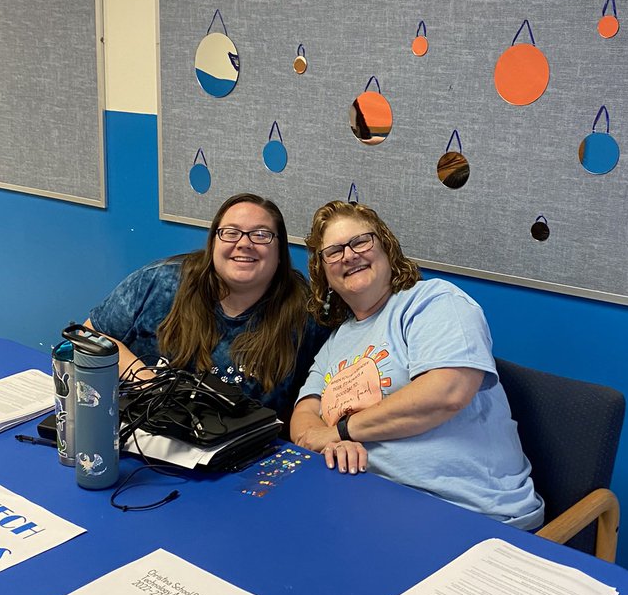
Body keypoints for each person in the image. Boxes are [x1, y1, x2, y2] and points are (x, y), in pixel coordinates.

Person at [290, 200, 543, 528]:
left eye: (360, 241)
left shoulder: (434, 302)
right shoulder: (337, 340)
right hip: (366, 501)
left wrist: (341, 431)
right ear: (323, 272)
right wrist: (327, 442)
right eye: (334, 251)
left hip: (467, 512)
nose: (349, 255)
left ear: (386, 248)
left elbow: (446, 393)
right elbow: (304, 415)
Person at [86, 193, 325, 425]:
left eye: (260, 235)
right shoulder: (160, 282)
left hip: (240, 454)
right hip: (143, 431)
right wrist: (147, 381)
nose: (244, 243)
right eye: (230, 233)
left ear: (280, 251)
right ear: (213, 243)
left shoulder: (305, 316)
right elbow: (88, 336)